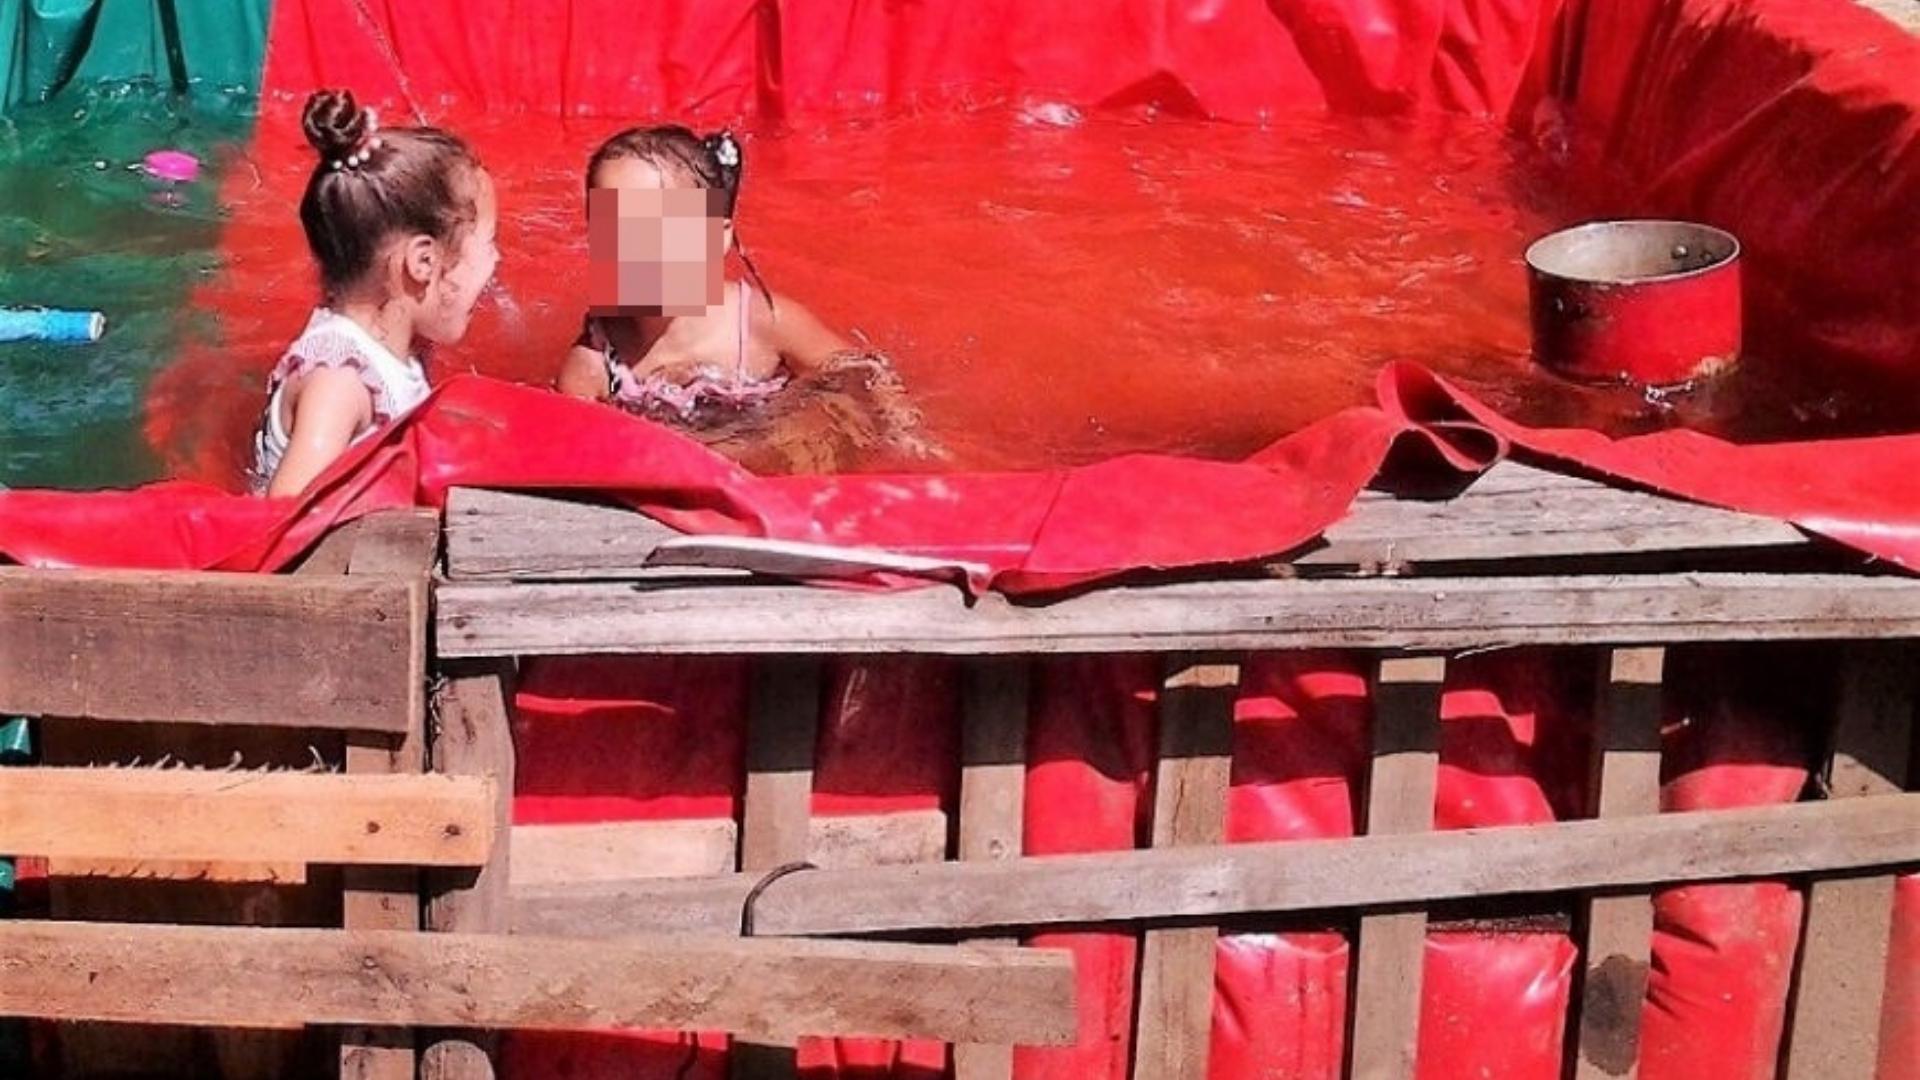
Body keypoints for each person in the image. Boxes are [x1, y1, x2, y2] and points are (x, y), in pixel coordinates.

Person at [556, 125, 901, 435]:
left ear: (717, 238)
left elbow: (863, 376)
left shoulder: (764, 324)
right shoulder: (595, 364)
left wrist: (897, 432)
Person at [252, 88, 499, 496]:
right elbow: (285, 519)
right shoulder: (339, 385)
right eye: (488, 244)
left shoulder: (397, 349)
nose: (495, 263)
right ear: (423, 263)